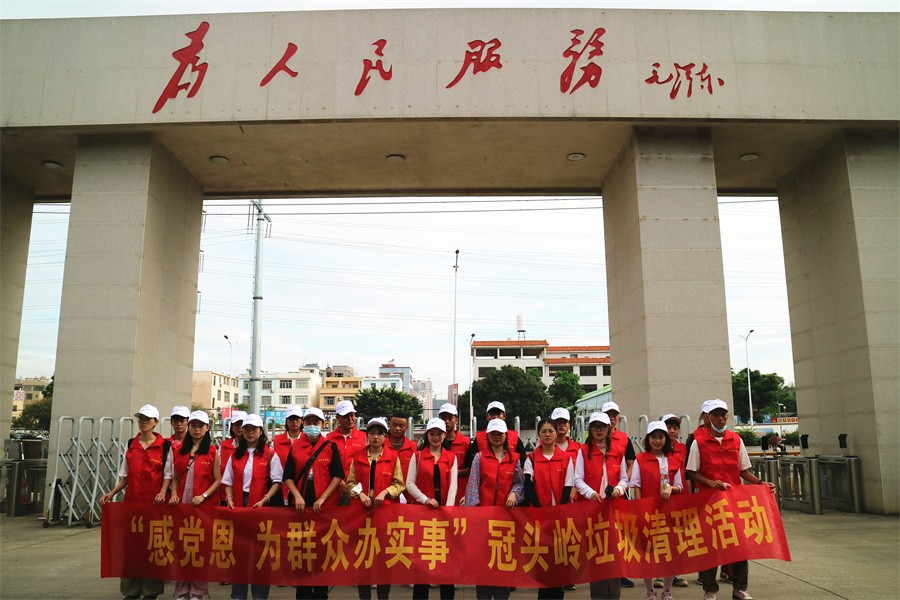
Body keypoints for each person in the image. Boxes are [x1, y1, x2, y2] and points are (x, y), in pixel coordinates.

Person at [686, 400, 776, 600]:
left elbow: (743, 470)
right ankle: (710, 590)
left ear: (727, 416)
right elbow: (691, 472)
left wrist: (761, 483)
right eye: (715, 415)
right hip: (709, 502)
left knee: (740, 545)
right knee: (711, 546)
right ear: (708, 417)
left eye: (723, 415)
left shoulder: (736, 440)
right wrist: (710, 482)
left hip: (734, 502)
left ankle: (740, 588)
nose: (720, 419)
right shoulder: (698, 442)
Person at [99, 404, 167, 600]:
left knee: (152, 547)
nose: (143, 422)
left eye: (147, 419)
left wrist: (163, 492)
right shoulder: (131, 445)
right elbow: (125, 477)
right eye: (140, 419)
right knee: (130, 548)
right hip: (131, 506)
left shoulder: (164, 447)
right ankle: (131, 591)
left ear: (156, 422)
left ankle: (151, 591)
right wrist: (111, 493)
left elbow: (169, 475)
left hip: (154, 507)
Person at [283, 407, 344, 600]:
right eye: (308, 422)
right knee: (301, 551)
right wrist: (297, 496)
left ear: (323, 424)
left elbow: (337, 475)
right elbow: (287, 477)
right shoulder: (295, 446)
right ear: (303, 424)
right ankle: (302, 594)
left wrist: (323, 498)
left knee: (322, 551)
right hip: (300, 507)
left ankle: (320, 595)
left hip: (323, 508)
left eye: (316, 422)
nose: (312, 426)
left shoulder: (330, 446)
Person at [222, 413, 284, 600]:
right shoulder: (235, 455)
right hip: (239, 507)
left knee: (260, 554)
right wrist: (229, 498)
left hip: (261, 507)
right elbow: (227, 480)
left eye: (254, 429)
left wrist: (265, 499)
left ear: (260, 431)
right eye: (246, 429)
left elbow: (277, 481)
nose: (250, 433)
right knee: (240, 553)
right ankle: (238, 595)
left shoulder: (270, 454)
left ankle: (260, 596)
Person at [161, 410, 222, 600]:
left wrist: (204, 496)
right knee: (181, 547)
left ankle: (198, 591)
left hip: (202, 507)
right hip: (182, 506)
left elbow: (218, 480)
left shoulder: (213, 451)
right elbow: (174, 477)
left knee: (200, 548)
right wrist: (173, 494)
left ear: (207, 428)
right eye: (193, 425)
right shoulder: (178, 450)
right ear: (189, 427)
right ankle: (181, 590)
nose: (196, 429)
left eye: (200, 426)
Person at [345, 417, 405, 600]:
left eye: (379, 433)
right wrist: (360, 494)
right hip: (361, 513)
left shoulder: (392, 457)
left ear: (385, 436)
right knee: (363, 556)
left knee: (383, 557)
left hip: (384, 513)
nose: (375, 437)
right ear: (367, 436)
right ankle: (364, 596)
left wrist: (385, 492)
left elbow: (399, 484)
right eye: (372, 433)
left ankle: (383, 596)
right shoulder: (358, 457)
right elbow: (350, 483)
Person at [465, 419, 523, 600]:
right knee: (483, 561)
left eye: (500, 434)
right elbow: (473, 486)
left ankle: (501, 595)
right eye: (493, 434)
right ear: (488, 436)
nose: (496, 437)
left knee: (502, 560)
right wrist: (474, 515)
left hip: (505, 520)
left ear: (506, 436)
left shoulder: (514, 459)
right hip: (483, 519)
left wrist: (514, 494)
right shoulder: (479, 457)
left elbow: (519, 483)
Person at [573, 412, 627, 600]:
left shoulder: (618, 451)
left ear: (609, 429)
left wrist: (618, 489)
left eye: (602, 427)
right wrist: (590, 493)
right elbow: (578, 479)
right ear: (590, 430)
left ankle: (614, 594)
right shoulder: (583, 451)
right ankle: (598, 595)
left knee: (614, 553)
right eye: (595, 427)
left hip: (613, 508)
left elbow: (624, 479)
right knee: (597, 553)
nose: (598, 430)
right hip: (593, 509)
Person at [629, 421, 685, 600]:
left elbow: (680, 486)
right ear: (648, 439)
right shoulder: (640, 459)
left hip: (669, 512)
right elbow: (636, 485)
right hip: (648, 512)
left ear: (666, 439)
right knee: (648, 552)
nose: (657, 441)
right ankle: (650, 591)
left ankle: (667, 591)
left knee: (669, 553)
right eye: (653, 437)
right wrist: (640, 509)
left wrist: (672, 489)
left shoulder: (674, 460)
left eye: (661, 437)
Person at [406, 417, 458, 600]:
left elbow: (453, 486)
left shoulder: (451, 458)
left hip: (444, 516)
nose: (436, 437)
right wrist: (425, 499)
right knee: (422, 561)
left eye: (439, 434)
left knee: (446, 561)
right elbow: (409, 483)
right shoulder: (418, 456)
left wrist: (448, 510)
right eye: (432, 434)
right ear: (427, 435)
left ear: (445, 435)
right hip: (423, 514)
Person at [524, 418, 575, 600]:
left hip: (560, 517)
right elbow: (528, 486)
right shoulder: (531, 459)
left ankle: (557, 594)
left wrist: (558, 512)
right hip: (539, 517)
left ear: (556, 433)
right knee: (543, 559)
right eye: (544, 431)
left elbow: (568, 485)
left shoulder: (566, 458)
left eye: (551, 431)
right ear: (538, 434)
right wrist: (541, 511)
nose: (547, 434)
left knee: (558, 560)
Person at [601, 401, 636, 590]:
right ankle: (603, 571)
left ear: (618, 418)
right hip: (599, 495)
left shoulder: (624, 439)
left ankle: (621, 573)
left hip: (619, 494)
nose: (612, 418)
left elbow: (630, 464)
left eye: (614, 415)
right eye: (608, 415)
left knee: (620, 534)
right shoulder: (593, 438)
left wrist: (623, 485)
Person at [653, 414, 689, 590]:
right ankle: (659, 573)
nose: (672, 431)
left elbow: (686, 473)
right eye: (668, 428)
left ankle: (675, 573)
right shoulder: (658, 449)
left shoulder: (683, 449)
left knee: (676, 537)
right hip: (660, 498)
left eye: (675, 428)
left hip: (678, 495)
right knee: (660, 536)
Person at [465, 401, 528, 471]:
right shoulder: (479, 438)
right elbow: (471, 466)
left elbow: (523, 464)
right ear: (487, 417)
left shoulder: (515, 438)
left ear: (504, 416)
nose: (495, 417)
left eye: (498, 414)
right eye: (492, 414)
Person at [327, 400, 367, 504]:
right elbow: (326, 465)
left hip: (358, 491)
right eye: (345, 416)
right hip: (334, 490)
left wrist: (352, 487)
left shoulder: (364, 438)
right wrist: (341, 483)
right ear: (337, 418)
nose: (350, 419)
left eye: (352, 415)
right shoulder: (328, 439)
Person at [435, 402, 470, 505]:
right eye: (443, 418)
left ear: (456, 420)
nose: (446, 421)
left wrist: (451, 473)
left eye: (450, 418)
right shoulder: (434, 442)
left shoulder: (465, 442)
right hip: (437, 491)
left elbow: (470, 469)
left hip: (459, 492)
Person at [272, 405, 304, 505]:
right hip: (280, 489)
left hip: (302, 488)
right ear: (286, 421)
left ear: (302, 420)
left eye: (297, 419)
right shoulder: (277, 441)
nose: (294, 422)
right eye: (291, 419)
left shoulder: (308, 441)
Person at [387, 413, 418, 502]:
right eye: (394, 425)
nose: (397, 428)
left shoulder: (414, 447)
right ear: (389, 425)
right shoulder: (381, 446)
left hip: (409, 495)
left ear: (407, 427)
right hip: (387, 494)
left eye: (401, 426)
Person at [219, 410, 246, 506]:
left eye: (242, 424)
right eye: (236, 424)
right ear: (232, 427)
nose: (239, 427)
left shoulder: (253, 448)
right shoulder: (224, 446)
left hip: (246, 496)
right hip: (225, 495)